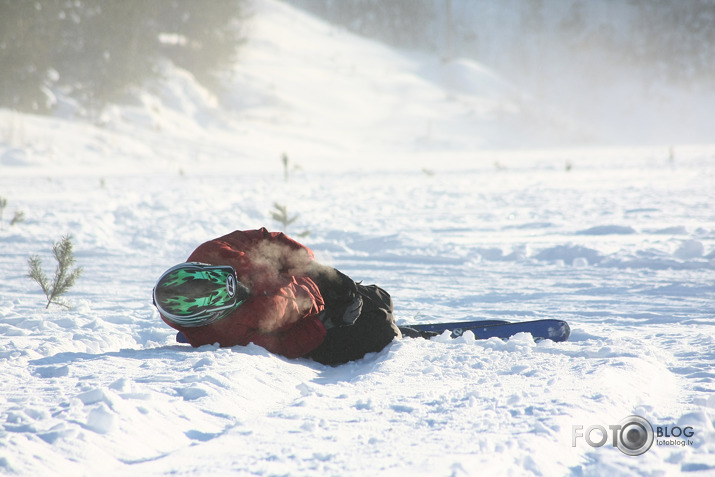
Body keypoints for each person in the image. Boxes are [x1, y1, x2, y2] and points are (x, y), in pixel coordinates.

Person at [153, 228, 401, 365]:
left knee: (380, 298)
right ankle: (389, 333)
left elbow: (264, 239)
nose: (242, 288)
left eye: (231, 279)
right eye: (232, 296)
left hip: (310, 284)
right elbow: (282, 344)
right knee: (378, 330)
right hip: (313, 328)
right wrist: (324, 324)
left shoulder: (212, 252)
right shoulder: (218, 333)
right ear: (211, 315)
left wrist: (314, 268)